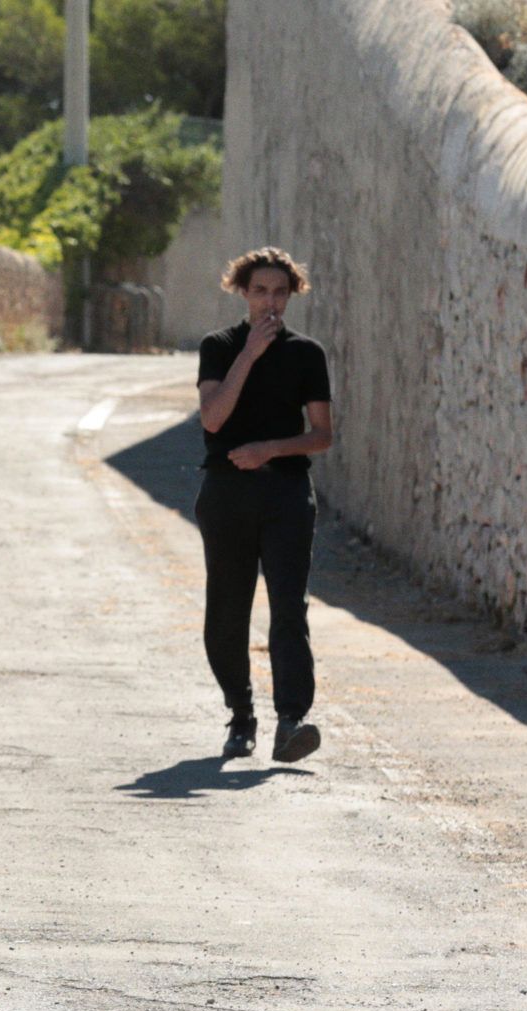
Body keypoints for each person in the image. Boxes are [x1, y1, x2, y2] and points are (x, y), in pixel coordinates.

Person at [195, 246, 334, 763]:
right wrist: (249, 355)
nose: (270, 302)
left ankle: (291, 721)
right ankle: (241, 715)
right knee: (226, 611)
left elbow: (322, 435)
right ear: (242, 292)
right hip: (226, 494)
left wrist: (269, 449)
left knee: (289, 608)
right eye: (260, 292)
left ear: (292, 295)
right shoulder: (219, 347)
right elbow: (213, 418)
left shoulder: (307, 354)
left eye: (279, 292)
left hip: (287, 495)